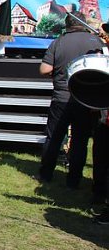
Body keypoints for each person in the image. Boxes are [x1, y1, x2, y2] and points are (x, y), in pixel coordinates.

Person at [36, 12, 104, 190]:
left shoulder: (58, 42)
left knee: (54, 137)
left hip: (61, 97)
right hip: (85, 100)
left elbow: (44, 69)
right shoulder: (96, 42)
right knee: (80, 140)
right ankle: (74, 180)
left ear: (67, 25)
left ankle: (46, 174)